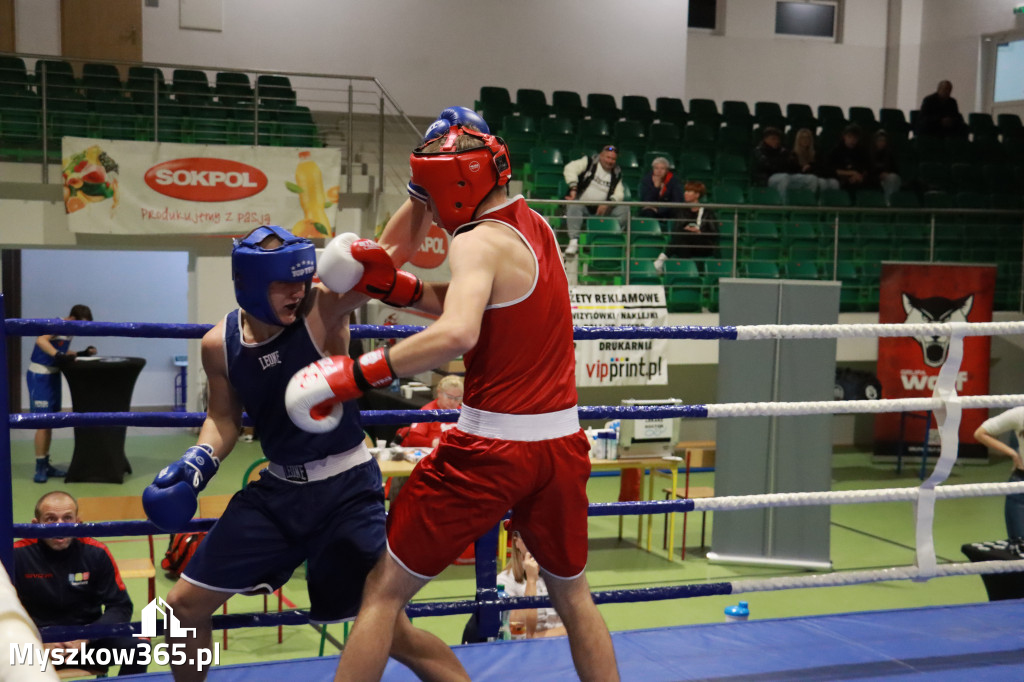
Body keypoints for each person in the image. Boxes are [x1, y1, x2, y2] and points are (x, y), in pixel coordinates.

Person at [285, 106, 619, 681]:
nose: (432, 212)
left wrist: (356, 374)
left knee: (383, 593)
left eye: (430, 196)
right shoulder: (534, 226)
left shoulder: (475, 241)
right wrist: (398, 287)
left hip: (491, 451)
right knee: (574, 596)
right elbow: (478, 300)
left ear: (453, 186)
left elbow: (460, 330)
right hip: (561, 445)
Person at [141, 224, 467, 682]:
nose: (298, 291)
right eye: (284, 284)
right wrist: (198, 463)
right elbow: (223, 418)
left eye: (302, 278)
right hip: (278, 494)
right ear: (251, 286)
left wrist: (419, 199)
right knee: (182, 608)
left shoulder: (323, 307)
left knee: (394, 633)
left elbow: (383, 259)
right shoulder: (220, 345)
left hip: (347, 491)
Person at [13, 491, 150, 676]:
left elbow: (120, 606)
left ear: (78, 522)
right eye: (51, 519)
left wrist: (86, 636)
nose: (59, 526)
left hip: (87, 645)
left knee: (139, 648)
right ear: (36, 525)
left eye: (67, 518)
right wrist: (36, 638)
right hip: (35, 645)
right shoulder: (16, 555)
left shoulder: (96, 553)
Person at [25, 304, 96, 483]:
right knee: (43, 423)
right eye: (80, 325)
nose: (81, 329)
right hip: (39, 376)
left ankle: (46, 463)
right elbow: (41, 341)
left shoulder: (69, 331)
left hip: (53, 375)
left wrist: (82, 353)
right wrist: (58, 355)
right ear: (72, 319)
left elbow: (62, 351)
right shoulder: (57, 324)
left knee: (50, 421)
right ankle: (39, 467)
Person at [497, 532, 568, 639]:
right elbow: (520, 634)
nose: (536, 544)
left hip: (564, 646)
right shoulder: (504, 581)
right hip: (528, 650)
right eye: (529, 538)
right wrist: (531, 581)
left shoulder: (561, 575)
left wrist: (536, 636)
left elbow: (578, 626)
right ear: (516, 542)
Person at [562, 144, 628, 256]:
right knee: (574, 204)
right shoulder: (589, 162)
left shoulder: (616, 172)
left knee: (624, 209)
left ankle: (610, 238)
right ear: (601, 156)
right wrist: (573, 187)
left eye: (613, 159)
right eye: (608, 157)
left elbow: (619, 193)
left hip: (602, 210)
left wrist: (607, 204)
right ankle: (573, 242)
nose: (610, 161)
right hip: (583, 205)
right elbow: (569, 168)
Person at [973, 406, 1024, 540]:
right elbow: (980, 433)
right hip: (1020, 486)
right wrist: (1012, 453)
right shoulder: (1020, 414)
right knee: (1019, 546)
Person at [655, 180, 719, 269]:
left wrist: (699, 231)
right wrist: (687, 229)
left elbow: (714, 233)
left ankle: (661, 261)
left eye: (689, 191)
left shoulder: (707, 212)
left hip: (703, 245)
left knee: (682, 238)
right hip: (686, 244)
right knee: (682, 242)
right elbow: (676, 231)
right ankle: (687, 270)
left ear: (697, 195)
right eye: (685, 191)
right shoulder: (682, 211)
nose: (685, 193)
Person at [394, 375, 464, 450]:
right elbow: (413, 438)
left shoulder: (463, 413)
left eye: (457, 398)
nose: (453, 402)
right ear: (439, 393)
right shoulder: (427, 412)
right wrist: (433, 443)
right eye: (449, 397)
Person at [751, 126, 815, 201]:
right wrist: (782, 164)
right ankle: (783, 205)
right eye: (773, 139)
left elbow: (790, 166)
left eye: (778, 139)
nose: (776, 141)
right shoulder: (759, 151)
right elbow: (768, 166)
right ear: (766, 139)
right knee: (784, 178)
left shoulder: (783, 151)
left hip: (786, 176)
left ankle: (809, 204)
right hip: (768, 178)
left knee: (811, 179)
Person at [790, 128, 840, 193]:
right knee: (819, 182)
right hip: (801, 177)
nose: (805, 140)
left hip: (816, 174)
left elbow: (822, 166)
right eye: (803, 138)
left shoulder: (816, 153)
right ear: (798, 140)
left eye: (807, 138)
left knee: (834, 182)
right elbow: (794, 170)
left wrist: (811, 166)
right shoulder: (793, 154)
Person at [638, 156, 684, 224]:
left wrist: (659, 210)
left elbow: (677, 201)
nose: (659, 171)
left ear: (667, 170)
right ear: (653, 169)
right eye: (656, 168)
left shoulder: (674, 181)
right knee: (647, 212)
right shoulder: (647, 180)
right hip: (651, 210)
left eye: (662, 168)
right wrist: (656, 188)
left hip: (668, 210)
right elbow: (646, 201)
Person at [827, 124, 872, 192]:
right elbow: (831, 170)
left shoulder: (862, 151)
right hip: (841, 180)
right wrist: (852, 173)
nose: (852, 140)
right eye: (850, 137)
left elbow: (867, 168)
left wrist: (860, 176)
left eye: (855, 138)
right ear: (844, 137)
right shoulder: (836, 151)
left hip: (859, 180)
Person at [868, 129, 902, 203]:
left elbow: (895, 170)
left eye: (884, 140)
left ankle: (890, 202)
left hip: (887, 180)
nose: (882, 143)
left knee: (893, 178)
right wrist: (878, 176)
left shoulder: (889, 155)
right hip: (872, 180)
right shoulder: (868, 154)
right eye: (880, 140)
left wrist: (887, 174)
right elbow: (867, 170)